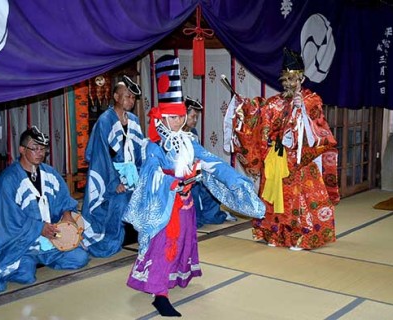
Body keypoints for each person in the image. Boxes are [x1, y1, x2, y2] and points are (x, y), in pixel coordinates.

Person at [123, 55, 265, 317]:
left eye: (180, 117)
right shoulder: (154, 146)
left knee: (184, 242)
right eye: (173, 117)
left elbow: (210, 161)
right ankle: (159, 293)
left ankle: (174, 279)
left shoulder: (188, 140)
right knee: (164, 245)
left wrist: (234, 179)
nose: (178, 122)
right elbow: (150, 175)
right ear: (161, 118)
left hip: (185, 203)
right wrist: (172, 182)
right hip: (165, 205)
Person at [230, 48, 340, 250]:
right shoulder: (275, 102)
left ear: (302, 78)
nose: (289, 84)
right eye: (286, 80)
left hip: (300, 162)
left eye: (294, 79)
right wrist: (244, 107)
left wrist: (303, 109)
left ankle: (299, 236)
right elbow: (258, 116)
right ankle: (274, 235)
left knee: (298, 200)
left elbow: (318, 128)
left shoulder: (311, 100)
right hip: (277, 160)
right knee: (272, 197)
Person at [0, 126, 89, 293]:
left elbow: (64, 199)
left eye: (42, 149)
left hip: (52, 237)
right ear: (22, 150)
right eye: (34, 148)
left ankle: (44, 256)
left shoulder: (50, 173)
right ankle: (28, 258)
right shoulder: (9, 179)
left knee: (80, 258)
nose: (40, 153)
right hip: (23, 242)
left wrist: (66, 215)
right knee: (25, 276)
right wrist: (39, 228)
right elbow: (6, 218)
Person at [80, 75, 145, 257]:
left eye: (133, 97)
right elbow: (100, 156)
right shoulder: (105, 120)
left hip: (131, 177)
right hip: (110, 178)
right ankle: (108, 241)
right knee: (119, 202)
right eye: (127, 96)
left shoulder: (134, 120)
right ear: (116, 97)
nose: (131, 100)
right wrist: (114, 182)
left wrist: (140, 174)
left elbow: (139, 152)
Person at [183, 96, 237, 228]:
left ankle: (216, 214)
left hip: (196, 174)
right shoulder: (174, 134)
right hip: (183, 179)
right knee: (195, 211)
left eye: (196, 117)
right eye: (192, 117)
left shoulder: (193, 133)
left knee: (214, 186)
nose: (195, 121)